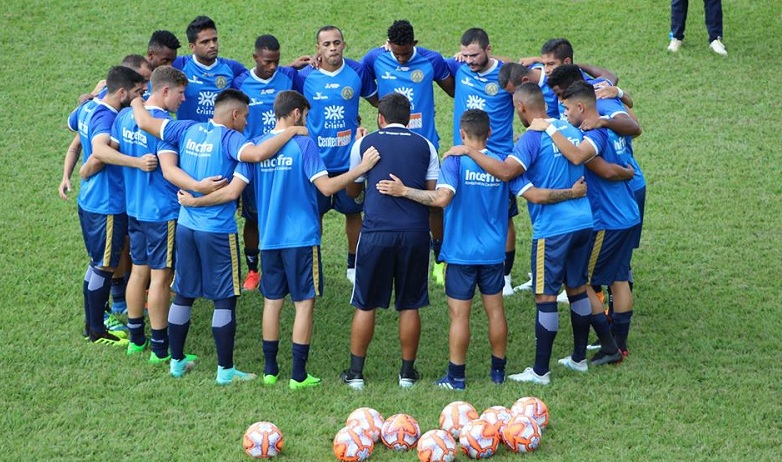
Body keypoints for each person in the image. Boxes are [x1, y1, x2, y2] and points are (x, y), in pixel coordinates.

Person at [178, 90, 380, 390]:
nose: (306, 121)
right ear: (296, 113)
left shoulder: (256, 145)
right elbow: (326, 188)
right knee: (303, 304)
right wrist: (361, 168)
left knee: (272, 303)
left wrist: (195, 202)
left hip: (269, 239)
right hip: (301, 239)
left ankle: (270, 371)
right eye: (306, 115)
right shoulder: (304, 144)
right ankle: (298, 375)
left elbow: (232, 192)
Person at [377, 109, 589, 389]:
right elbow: (535, 195)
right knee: (496, 312)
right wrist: (573, 193)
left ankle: (456, 376)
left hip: (460, 254)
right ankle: (498, 373)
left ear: (462, 134)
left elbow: (441, 200)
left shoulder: (454, 161)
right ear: (489, 133)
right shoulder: (502, 164)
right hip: (493, 253)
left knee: (459, 316)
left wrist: (404, 191)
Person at [130, 88, 304, 385]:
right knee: (224, 299)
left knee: (183, 293)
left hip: (186, 227)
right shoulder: (232, 140)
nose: (247, 122)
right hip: (218, 231)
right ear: (234, 115)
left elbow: (145, 121)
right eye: (245, 116)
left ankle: (176, 362)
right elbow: (255, 158)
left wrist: (135, 97)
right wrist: (292, 131)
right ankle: (225, 371)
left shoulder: (187, 129)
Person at [444, 83, 596, 385]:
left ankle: (540, 371)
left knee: (546, 296)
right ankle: (579, 358)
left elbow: (505, 172)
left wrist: (468, 151)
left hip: (553, 228)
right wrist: (573, 193)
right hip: (584, 221)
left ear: (521, 107)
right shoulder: (571, 130)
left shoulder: (531, 138)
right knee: (578, 289)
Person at [529, 80, 639, 364]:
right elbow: (634, 129)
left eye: (566, 109)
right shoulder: (612, 124)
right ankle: (619, 344)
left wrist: (550, 129)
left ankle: (609, 345)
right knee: (619, 277)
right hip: (628, 212)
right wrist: (627, 173)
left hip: (608, 218)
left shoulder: (591, 134)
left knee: (580, 282)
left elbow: (585, 160)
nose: (564, 114)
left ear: (580, 107)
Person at [340, 93, 439, 390]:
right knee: (410, 304)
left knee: (365, 304)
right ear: (409, 119)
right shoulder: (427, 146)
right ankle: (407, 375)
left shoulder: (363, 144)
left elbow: (351, 192)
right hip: (415, 234)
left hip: (375, 233)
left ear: (380, 118)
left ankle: (356, 374)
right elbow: (433, 195)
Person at [111, 66, 195, 363]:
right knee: (160, 277)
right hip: (162, 211)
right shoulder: (163, 126)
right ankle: (160, 348)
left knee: (138, 271)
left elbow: (113, 152)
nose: (183, 100)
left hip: (134, 208)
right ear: (165, 91)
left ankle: (136, 340)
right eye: (181, 93)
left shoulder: (124, 117)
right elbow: (170, 171)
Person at [361, 19, 453, 285]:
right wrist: (385, 108)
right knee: (389, 197)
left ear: (415, 43)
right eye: (396, 53)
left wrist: (461, 58)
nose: (401, 59)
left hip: (425, 145)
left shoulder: (431, 60)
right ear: (388, 44)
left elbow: (453, 89)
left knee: (433, 204)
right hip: (390, 144)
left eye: (405, 53)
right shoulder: (375, 58)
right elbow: (360, 79)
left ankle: (439, 260)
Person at [66, 66, 148, 347]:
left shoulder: (89, 107)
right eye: (137, 92)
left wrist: (92, 92)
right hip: (107, 204)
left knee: (96, 265)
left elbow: (71, 123)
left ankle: (92, 324)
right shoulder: (108, 116)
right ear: (122, 92)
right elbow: (100, 150)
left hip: (90, 200)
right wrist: (137, 162)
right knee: (103, 267)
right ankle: (97, 330)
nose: (140, 97)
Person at [300, 25, 378, 285]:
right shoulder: (304, 76)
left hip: (349, 161)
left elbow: (379, 101)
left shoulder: (357, 71)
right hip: (316, 162)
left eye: (336, 42)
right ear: (318, 48)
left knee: (353, 214)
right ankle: (314, 262)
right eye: (326, 44)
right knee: (315, 215)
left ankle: (353, 265)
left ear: (344, 44)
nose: (332, 48)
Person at [445, 28, 519, 297]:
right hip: (463, 159)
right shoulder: (459, 66)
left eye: (474, 55)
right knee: (459, 210)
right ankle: (453, 263)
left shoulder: (505, 76)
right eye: (465, 55)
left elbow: (526, 88)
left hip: (498, 161)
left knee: (503, 217)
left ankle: (505, 276)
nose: (469, 61)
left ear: (489, 50)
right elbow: (427, 60)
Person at [233, 34, 308, 291]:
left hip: (286, 160)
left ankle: (283, 267)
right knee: (253, 218)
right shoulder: (240, 82)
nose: (273, 66)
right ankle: (253, 270)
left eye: (276, 61)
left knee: (285, 211)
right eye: (267, 62)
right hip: (256, 163)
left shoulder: (288, 77)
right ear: (255, 57)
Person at [172, 16, 247, 122]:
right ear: (192, 47)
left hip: (219, 132)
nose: (212, 45)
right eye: (205, 42)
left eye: (214, 40)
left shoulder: (232, 68)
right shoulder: (179, 65)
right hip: (188, 132)